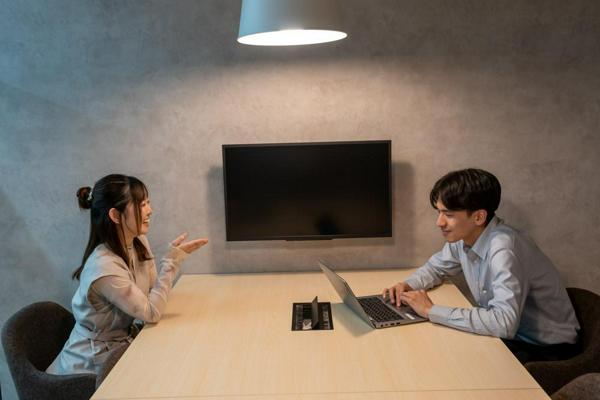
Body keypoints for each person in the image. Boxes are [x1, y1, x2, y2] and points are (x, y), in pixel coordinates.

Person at [383, 168, 580, 363]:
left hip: (546, 350)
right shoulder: (464, 237)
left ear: (479, 217)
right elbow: (436, 268)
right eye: (439, 212)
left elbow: (504, 323)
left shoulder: (504, 250)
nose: (439, 222)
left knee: (451, 361)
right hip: (510, 336)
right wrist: (407, 285)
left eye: (448, 214)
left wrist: (430, 311)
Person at [47, 174, 208, 375]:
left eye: (148, 202)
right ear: (115, 215)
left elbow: (151, 293)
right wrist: (171, 262)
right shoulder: (104, 267)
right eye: (141, 205)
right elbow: (151, 313)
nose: (150, 210)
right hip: (90, 366)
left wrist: (172, 261)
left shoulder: (138, 241)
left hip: (119, 347)